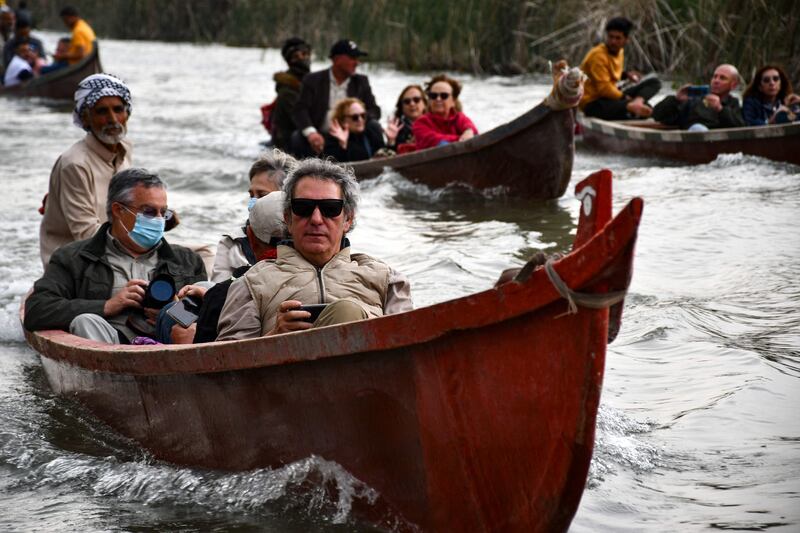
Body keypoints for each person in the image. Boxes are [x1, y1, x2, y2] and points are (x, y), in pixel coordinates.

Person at [216, 158, 413, 340]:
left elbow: (408, 347)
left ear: (348, 219)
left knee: (347, 311)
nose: (316, 220)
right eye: (303, 207)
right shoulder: (250, 284)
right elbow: (227, 363)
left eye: (330, 208)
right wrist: (274, 336)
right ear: (288, 218)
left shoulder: (387, 280)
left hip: (370, 370)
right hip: (288, 374)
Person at [24, 168, 208, 344]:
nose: (159, 220)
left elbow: (209, 319)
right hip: (109, 347)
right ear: (118, 210)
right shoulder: (74, 258)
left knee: (205, 288)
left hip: (172, 346)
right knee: (85, 321)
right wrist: (108, 305)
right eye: (149, 212)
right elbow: (36, 310)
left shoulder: (187, 261)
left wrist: (172, 311)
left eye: (164, 212)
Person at [160, 191, 289, 345]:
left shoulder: (242, 282)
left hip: (235, 355)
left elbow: (224, 351)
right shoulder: (318, 271)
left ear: (251, 238)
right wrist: (210, 294)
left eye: (260, 194)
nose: (253, 198)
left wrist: (188, 343)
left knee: (172, 314)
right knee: (203, 288)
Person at [39, 73, 133, 267]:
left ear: (127, 113)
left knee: (202, 254)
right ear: (85, 118)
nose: (112, 119)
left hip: (120, 251)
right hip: (79, 264)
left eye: (118, 109)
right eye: (102, 112)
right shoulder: (74, 164)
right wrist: (143, 238)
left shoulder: (125, 150)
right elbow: (86, 235)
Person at [211, 151, 295, 283]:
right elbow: (219, 294)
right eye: (251, 195)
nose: (253, 203)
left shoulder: (307, 240)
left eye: (262, 195)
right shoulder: (232, 243)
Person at [290, 39, 380, 157]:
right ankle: (303, 171)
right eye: (353, 58)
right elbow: (300, 110)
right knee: (297, 137)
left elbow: (375, 111)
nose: (357, 62)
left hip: (351, 136)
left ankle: (380, 158)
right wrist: (311, 133)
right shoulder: (312, 80)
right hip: (321, 137)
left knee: (374, 126)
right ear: (337, 59)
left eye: (358, 59)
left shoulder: (361, 81)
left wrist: (356, 121)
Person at [578, 17, 660, 120]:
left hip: (610, 98)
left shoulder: (619, 51)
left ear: (626, 40)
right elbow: (604, 89)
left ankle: (637, 103)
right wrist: (625, 98)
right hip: (593, 103)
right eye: (610, 37)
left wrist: (626, 75)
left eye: (618, 38)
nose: (613, 42)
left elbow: (609, 73)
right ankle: (630, 106)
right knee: (643, 110)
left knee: (654, 82)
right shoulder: (597, 56)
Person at [652, 64, 746, 131]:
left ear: (733, 85)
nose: (716, 81)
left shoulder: (733, 103)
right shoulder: (695, 99)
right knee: (698, 128)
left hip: (718, 143)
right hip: (695, 139)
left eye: (722, 78)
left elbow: (739, 127)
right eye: (715, 77)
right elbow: (658, 116)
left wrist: (720, 109)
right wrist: (675, 100)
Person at [412, 74, 478, 150]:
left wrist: (469, 131)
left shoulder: (459, 117)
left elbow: (471, 128)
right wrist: (462, 138)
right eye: (433, 96)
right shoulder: (420, 123)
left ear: (453, 101)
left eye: (444, 96)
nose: (438, 99)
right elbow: (434, 141)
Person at [268, 37, 311, 151]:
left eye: (306, 53)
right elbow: (300, 121)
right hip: (288, 145)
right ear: (290, 60)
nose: (305, 58)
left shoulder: (310, 81)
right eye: (298, 55)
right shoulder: (287, 90)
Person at [322, 97, 385, 162]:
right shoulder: (332, 139)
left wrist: (391, 142)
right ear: (343, 121)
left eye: (363, 115)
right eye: (355, 117)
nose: (360, 120)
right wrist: (343, 146)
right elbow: (333, 168)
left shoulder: (371, 131)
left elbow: (384, 158)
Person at [385, 84, 427, 153]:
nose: (412, 104)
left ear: (424, 104)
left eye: (416, 100)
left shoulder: (434, 123)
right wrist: (391, 141)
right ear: (402, 107)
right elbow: (391, 158)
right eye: (407, 101)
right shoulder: (396, 129)